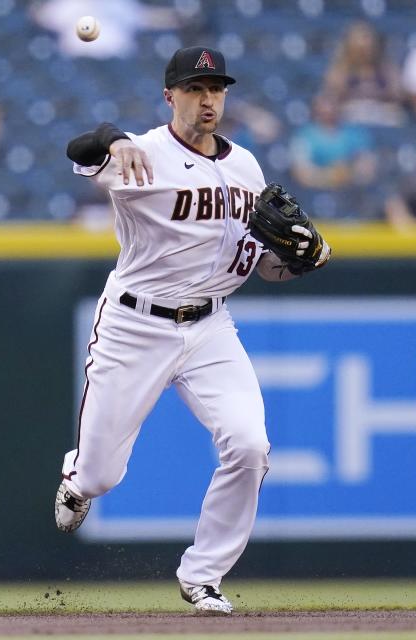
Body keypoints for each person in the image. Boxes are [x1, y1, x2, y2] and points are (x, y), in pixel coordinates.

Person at [54, 46, 330, 615]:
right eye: (196, 89)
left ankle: (202, 576)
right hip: (135, 323)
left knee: (250, 446)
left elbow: (262, 265)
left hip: (210, 326)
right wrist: (113, 138)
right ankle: (78, 477)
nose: (208, 100)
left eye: (217, 89)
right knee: (103, 475)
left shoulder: (247, 168)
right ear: (171, 95)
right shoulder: (143, 153)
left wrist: (307, 258)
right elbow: (76, 149)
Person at [31, 0, 179, 59]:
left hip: (112, 9)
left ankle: (180, 18)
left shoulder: (63, 6)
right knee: (141, 19)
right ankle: (180, 21)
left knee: (141, 16)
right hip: (110, 29)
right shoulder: (68, 40)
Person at [322, 21, 405, 126]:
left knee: (396, 115)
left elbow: (397, 95)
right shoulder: (340, 69)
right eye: (360, 48)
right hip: (350, 112)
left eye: (369, 46)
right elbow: (333, 96)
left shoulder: (386, 68)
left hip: (380, 111)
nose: (365, 51)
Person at [289, 93, 375, 190]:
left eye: (332, 103)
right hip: (316, 190)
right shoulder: (304, 135)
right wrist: (331, 176)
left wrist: (348, 173)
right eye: (324, 104)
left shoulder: (355, 133)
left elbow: (367, 168)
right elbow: (301, 173)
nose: (328, 109)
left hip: (350, 190)